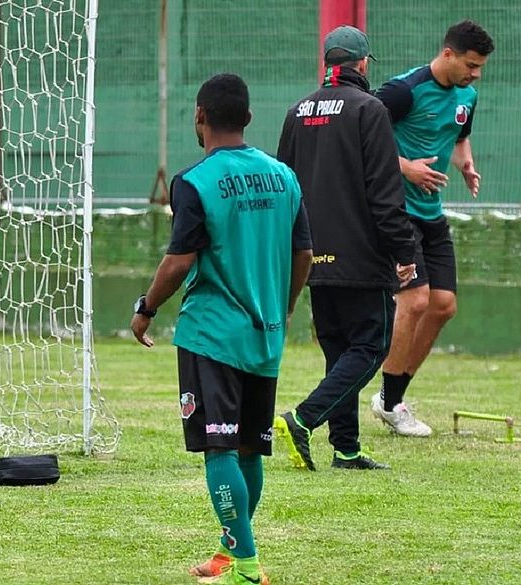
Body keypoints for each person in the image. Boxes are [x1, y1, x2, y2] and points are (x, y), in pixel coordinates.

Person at [131, 73, 312, 585]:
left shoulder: (194, 181)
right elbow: (303, 253)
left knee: (219, 447)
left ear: (199, 116)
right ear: (249, 119)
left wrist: (146, 307)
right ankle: (231, 554)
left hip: (212, 334)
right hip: (265, 332)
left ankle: (249, 568)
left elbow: (178, 261)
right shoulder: (284, 176)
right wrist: (285, 305)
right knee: (250, 446)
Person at [273, 26, 417, 472]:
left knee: (340, 353)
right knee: (370, 348)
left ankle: (347, 450)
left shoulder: (297, 112)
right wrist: (404, 250)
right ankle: (302, 418)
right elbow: (383, 191)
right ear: (362, 64)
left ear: (327, 63)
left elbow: (285, 188)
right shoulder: (369, 109)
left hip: (312, 256)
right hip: (361, 256)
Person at [372, 20, 494, 437]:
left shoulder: (468, 96)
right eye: (471, 65)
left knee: (443, 306)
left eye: (479, 68)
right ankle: (390, 401)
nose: (475, 74)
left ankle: (392, 397)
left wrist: (466, 163)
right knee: (417, 300)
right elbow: (359, 134)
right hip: (397, 210)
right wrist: (404, 167)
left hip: (431, 212)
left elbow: (458, 137)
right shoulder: (402, 91)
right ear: (447, 54)